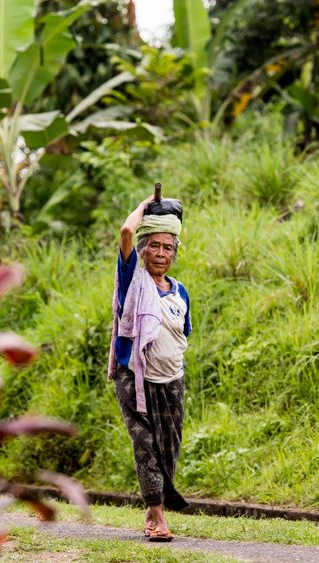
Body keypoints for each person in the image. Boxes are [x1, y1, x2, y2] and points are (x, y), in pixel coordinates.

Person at [108, 195, 191, 542]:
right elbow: (127, 230)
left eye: (168, 247)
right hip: (135, 378)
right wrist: (145, 206)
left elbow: (183, 334)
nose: (161, 253)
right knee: (144, 443)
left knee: (168, 448)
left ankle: (152, 507)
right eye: (154, 246)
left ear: (174, 253)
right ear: (143, 250)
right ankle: (158, 518)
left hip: (172, 380)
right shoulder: (133, 280)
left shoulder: (181, 292)